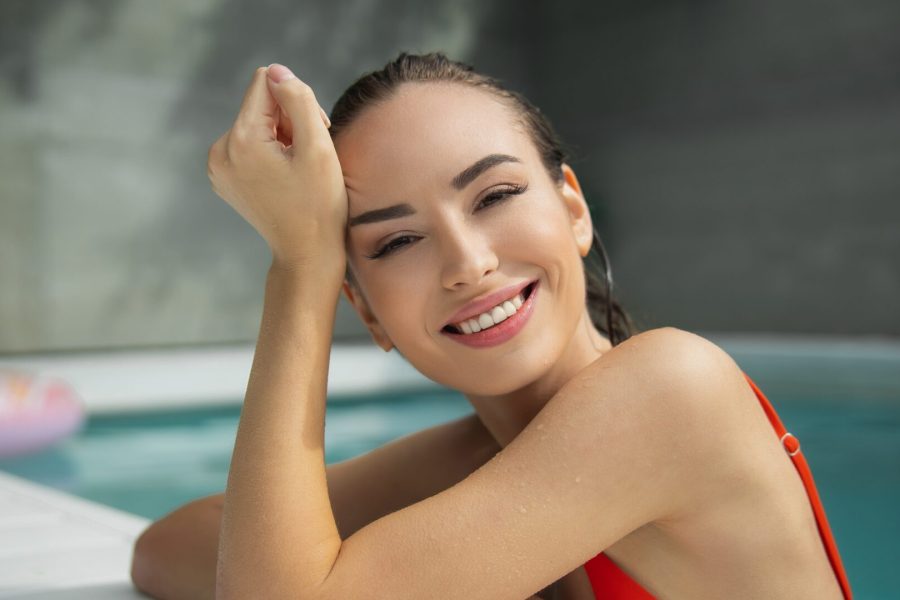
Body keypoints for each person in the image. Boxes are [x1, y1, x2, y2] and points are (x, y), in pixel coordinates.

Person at [130, 53, 851, 600]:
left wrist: (299, 267)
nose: (467, 264)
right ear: (368, 311)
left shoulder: (670, 392)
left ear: (571, 207)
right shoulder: (486, 461)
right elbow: (166, 550)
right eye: (397, 242)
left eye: (495, 194)